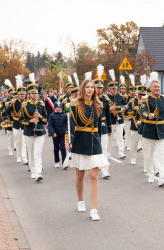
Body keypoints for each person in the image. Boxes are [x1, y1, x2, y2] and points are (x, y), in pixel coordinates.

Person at [65, 77, 108, 221]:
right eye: (87, 87)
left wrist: (101, 142)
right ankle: (80, 200)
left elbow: (99, 126)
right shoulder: (75, 104)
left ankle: (94, 209)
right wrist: (68, 140)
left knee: (94, 176)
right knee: (80, 175)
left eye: (92, 87)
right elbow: (70, 125)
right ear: (83, 89)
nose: (90, 89)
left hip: (94, 141)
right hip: (80, 140)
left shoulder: (99, 104)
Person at [20, 80, 47, 182]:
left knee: (37, 152)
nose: (35, 95)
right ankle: (33, 170)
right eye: (33, 93)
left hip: (40, 131)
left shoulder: (41, 104)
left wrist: (40, 117)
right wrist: (30, 120)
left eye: (36, 93)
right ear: (29, 94)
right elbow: (21, 120)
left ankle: (38, 172)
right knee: (31, 152)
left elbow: (45, 118)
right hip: (29, 131)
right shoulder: (25, 105)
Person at [94, 65, 112, 179]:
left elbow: (108, 114)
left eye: (101, 87)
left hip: (104, 127)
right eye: (97, 87)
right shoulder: (89, 99)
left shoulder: (105, 100)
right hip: (93, 128)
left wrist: (109, 128)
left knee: (104, 149)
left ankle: (105, 170)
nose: (99, 89)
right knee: (94, 149)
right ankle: (95, 167)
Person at [125, 79, 147, 165]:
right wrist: (134, 109)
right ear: (137, 93)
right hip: (135, 125)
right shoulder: (133, 101)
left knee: (145, 145)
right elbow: (127, 111)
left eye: (143, 94)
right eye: (140, 94)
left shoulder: (147, 101)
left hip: (145, 125)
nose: (141, 96)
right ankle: (133, 157)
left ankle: (146, 162)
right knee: (134, 144)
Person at [107, 69, 127, 159]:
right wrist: (110, 108)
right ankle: (108, 152)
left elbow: (125, 104)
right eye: (112, 89)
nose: (114, 90)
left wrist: (126, 106)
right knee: (109, 137)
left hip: (120, 119)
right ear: (109, 89)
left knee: (120, 136)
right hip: (111, 119)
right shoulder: (107, 97)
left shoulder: (120, 96)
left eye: (115, 89)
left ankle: (121, 152)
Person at [6, 85, 28, 164]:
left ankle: (24, 157)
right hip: (16, 124)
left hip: (24, 124)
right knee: (17, 141)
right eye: (21, 94)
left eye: (23, 94)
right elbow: (7, 111)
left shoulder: (27, 102)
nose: (22, 95)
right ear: (18, 94)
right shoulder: (14, 102)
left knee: (24, 142)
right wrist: (10, 118)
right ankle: (18, 156)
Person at [48, 101, 68, 169]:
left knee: (63, 148)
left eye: (60, 107)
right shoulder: (52, 115)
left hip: (63, 135)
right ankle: (56, 161)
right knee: (56, 148)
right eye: (57, 107)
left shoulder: (64, 115)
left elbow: (66, 125)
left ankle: (64, 162)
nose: (58, 109)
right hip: (55, 135)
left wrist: (66, 132)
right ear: (55, 108)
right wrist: (53, 132)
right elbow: (50, 125)